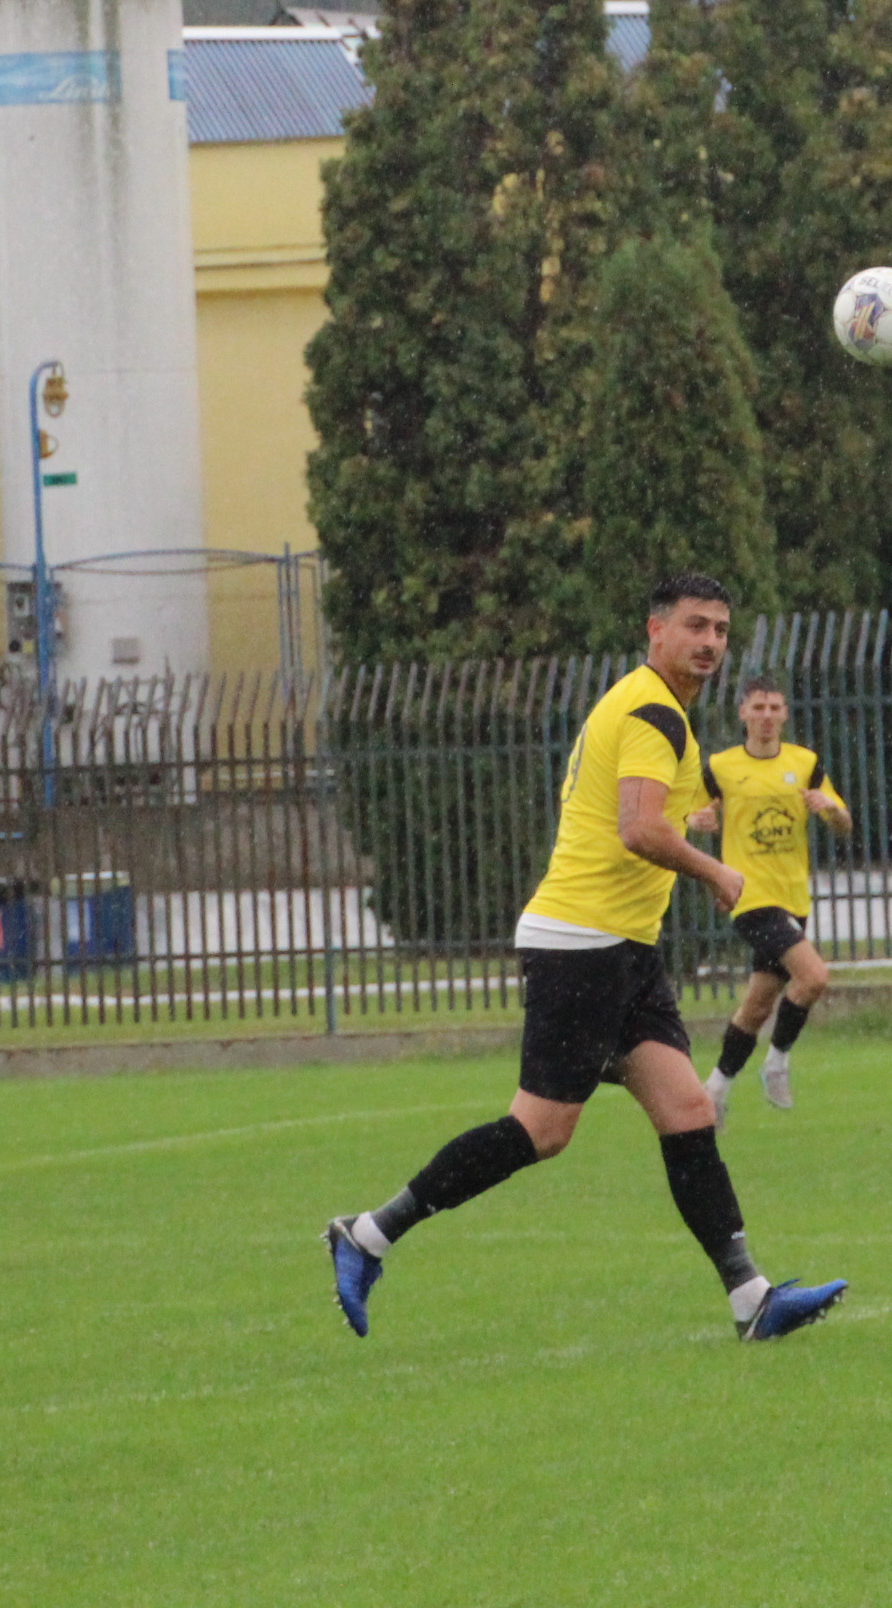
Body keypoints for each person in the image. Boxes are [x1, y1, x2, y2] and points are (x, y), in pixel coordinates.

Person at [323, 574, 847, 1344]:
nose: (710, 642)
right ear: (656, 630)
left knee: (689, 1110)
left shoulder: (657, 709)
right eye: (695, 626)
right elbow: (639, 827)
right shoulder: (653, 712)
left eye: (720, 629)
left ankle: (753, 1301)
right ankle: (366, 1235)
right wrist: (715, 871)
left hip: (623, 949)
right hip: (581, 945)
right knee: (541, 1129)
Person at [701, 678, 851, 1123]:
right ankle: (777, 1062)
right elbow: (686, 811)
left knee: (757, 1007)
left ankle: (713, 1092)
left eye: (774, 708)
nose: (766, 716)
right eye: (758, 707)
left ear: (784, 714)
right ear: (743, 714)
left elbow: (843, 823)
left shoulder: (804, 763)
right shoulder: (720, 766)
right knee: (814, 977)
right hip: (749, 897)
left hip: (793, 898)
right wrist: (698, 819)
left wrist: (830, 807)